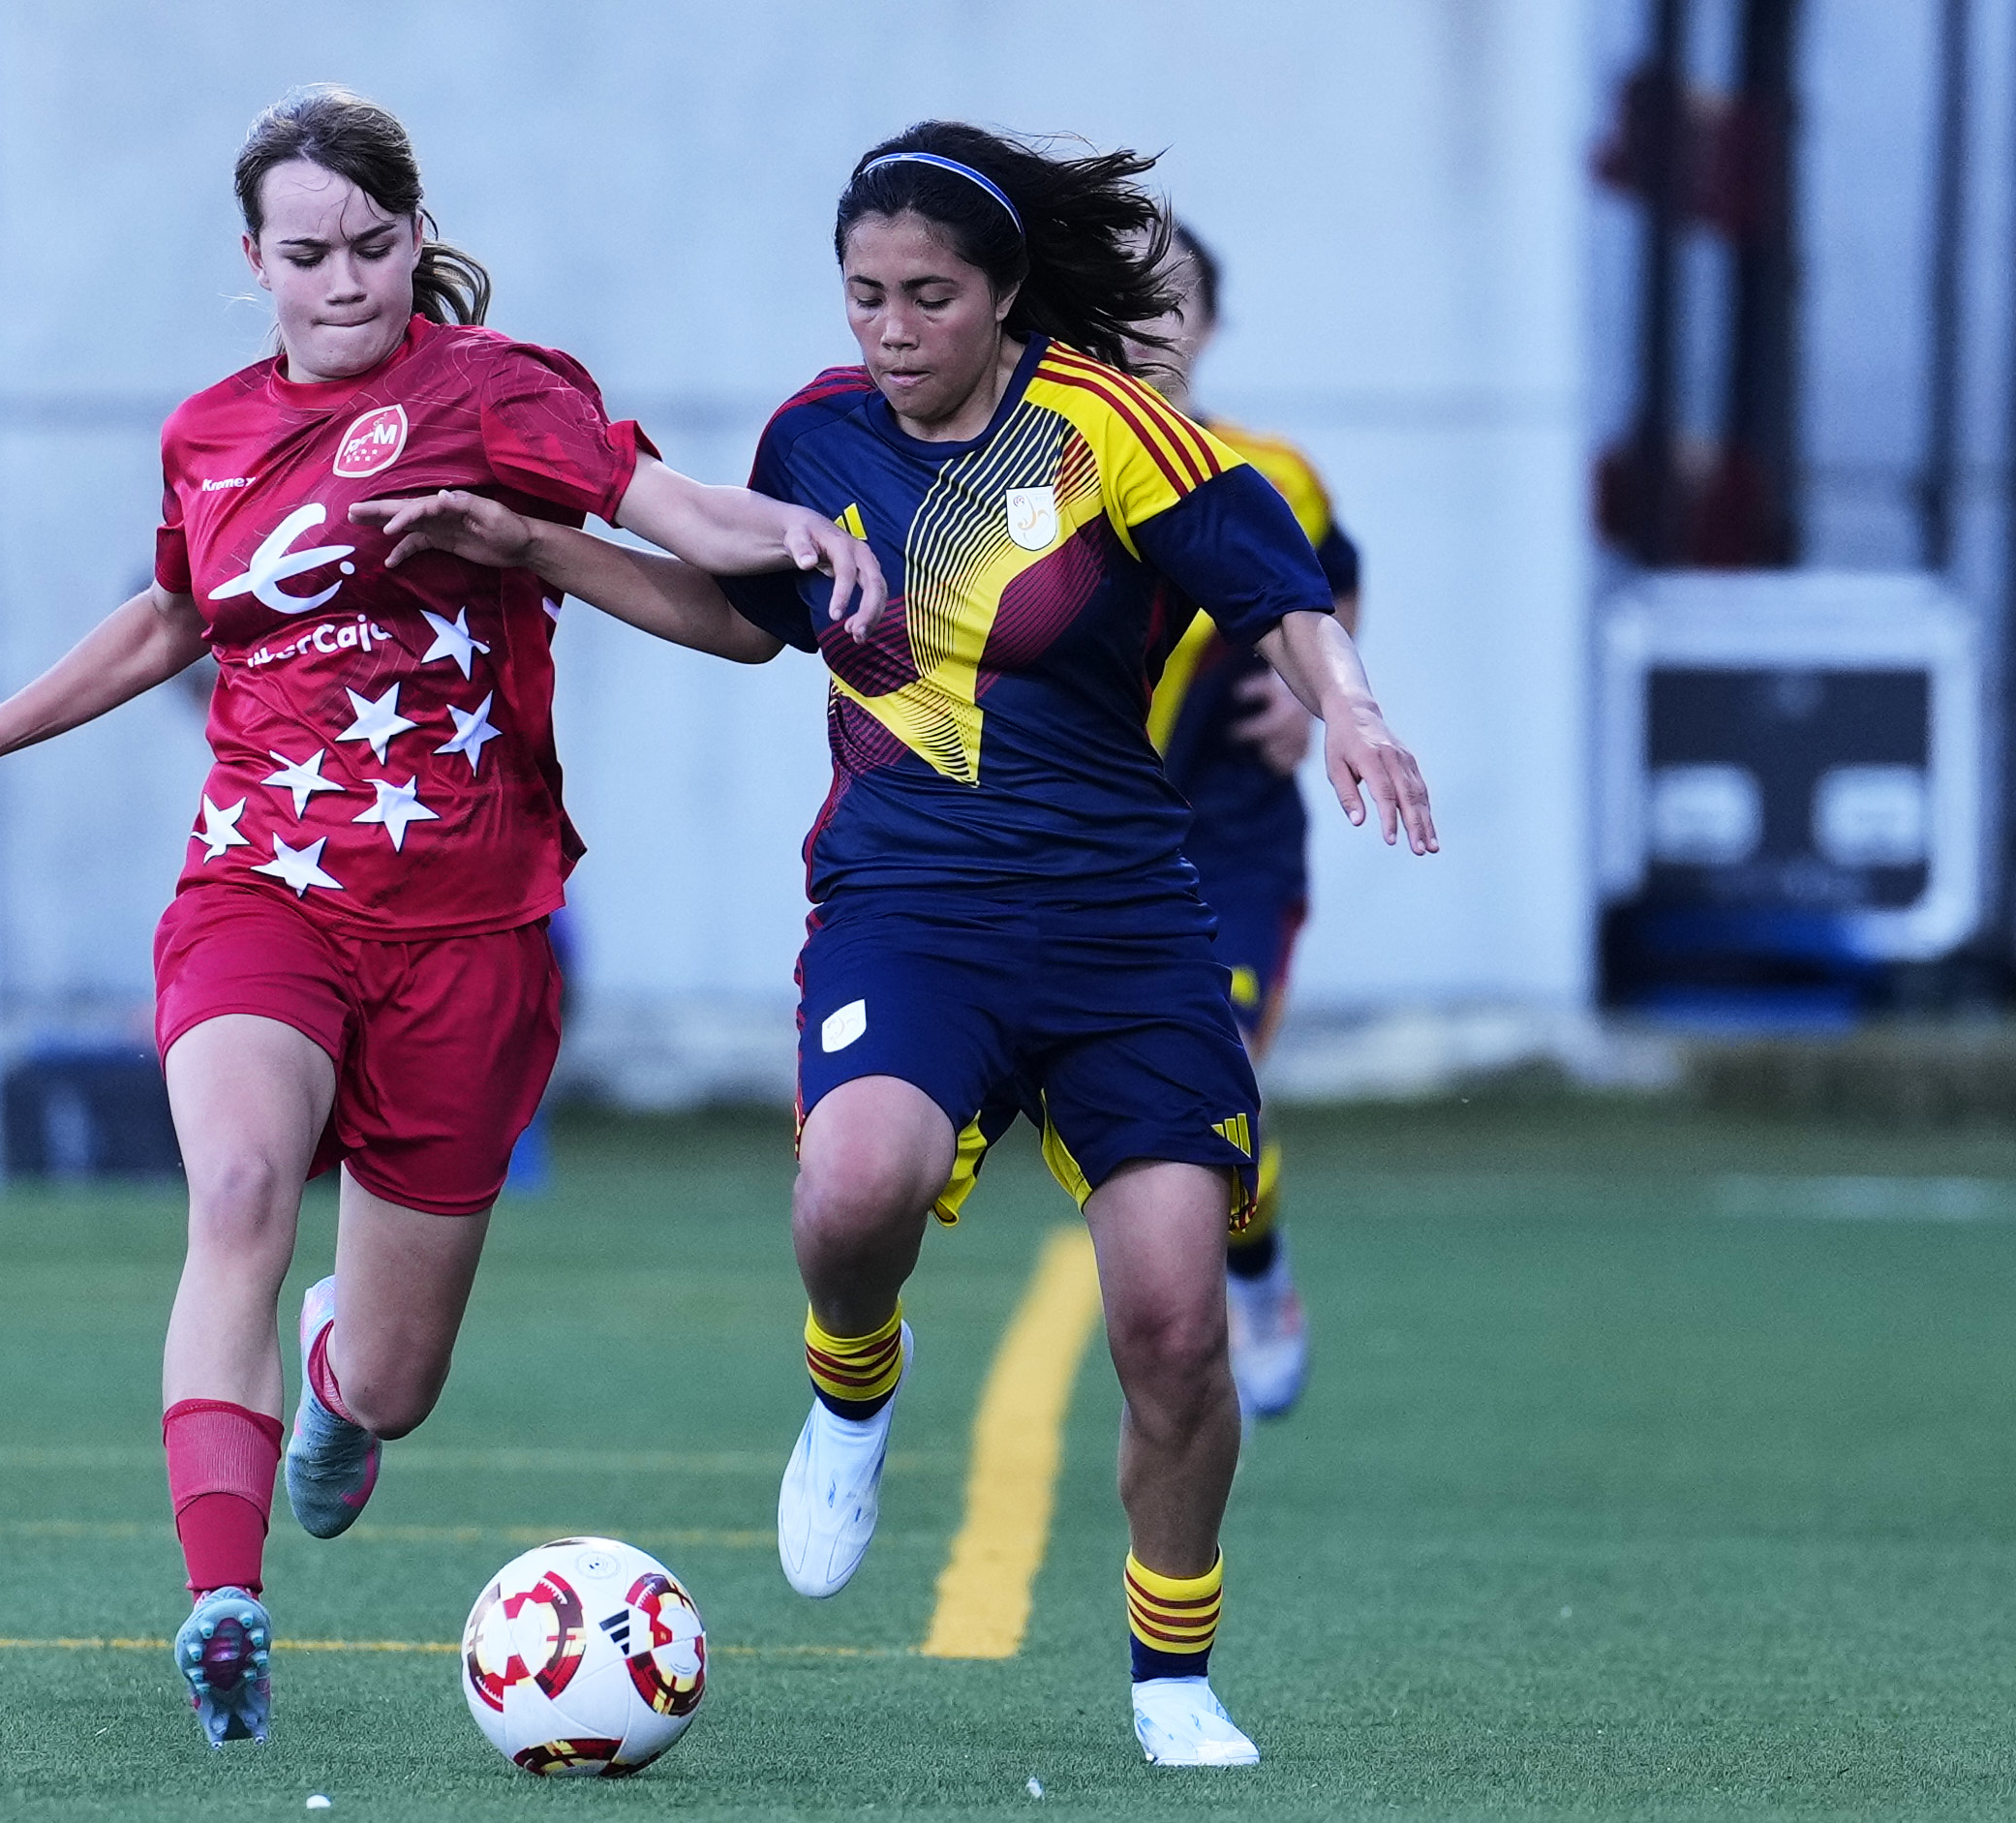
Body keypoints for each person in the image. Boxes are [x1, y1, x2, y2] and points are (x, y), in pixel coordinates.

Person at [364, 121, 1435, 1769]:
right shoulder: (816, 434)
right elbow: (745, 620)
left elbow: (1278, 590)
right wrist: (535, 546)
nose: (890, 325)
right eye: (864, 292)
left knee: (1171, 1323)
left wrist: (1348, 709)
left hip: (1124, 925)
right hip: (911, 905)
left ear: (1003, 294)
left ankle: (1171, 1673)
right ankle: (854, 1381)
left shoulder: (1105, 425)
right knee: (853, 1189)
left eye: (927, 294)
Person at [0, 84, 879, 1749]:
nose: (345, 281)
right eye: (308, 253)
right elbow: (172, 614)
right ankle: (223, 1597)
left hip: (469, 928)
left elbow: (672, 513)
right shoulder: (207, 432)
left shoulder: (495, 391)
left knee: (395, 1380)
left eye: (373, 247)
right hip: (262, 888)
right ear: (252, 259)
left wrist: (796, 533)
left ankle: (338, 1380)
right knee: (240, 1187)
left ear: (415, 237)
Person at [1129, 223, 1365, 1420]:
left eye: (1166, 300)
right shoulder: (1025, 471)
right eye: (1115, 296)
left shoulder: (1269, 473)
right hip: (1080, 839)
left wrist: (1313, 689)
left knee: (1207, 1074)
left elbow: (1332, 581)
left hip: (1226, 837)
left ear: (1209, 325)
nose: (1140, 322)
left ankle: (1255, 1277)